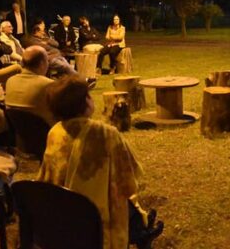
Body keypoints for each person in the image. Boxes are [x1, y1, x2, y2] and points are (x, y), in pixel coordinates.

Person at [37, 75, 163, 249]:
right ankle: (141, 232)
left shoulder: (55, 131)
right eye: (88, 96)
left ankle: (141, 229)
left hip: (60, 205)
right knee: (125, 201)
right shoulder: (105, 133)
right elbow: (128, 174)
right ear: (84, 103)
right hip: (93, 212)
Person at [5, 46, 55, 125]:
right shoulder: (49, 85)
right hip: (47, 132)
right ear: (42, 63)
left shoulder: (10, 81)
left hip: (20, 134)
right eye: (47, 61)